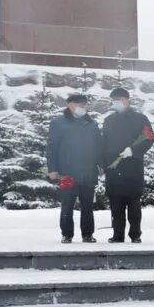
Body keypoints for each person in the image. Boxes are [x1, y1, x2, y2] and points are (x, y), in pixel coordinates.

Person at [46, 92, 102, 243]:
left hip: (88, 171)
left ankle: (88, 234)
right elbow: (52, 148)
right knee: (67, 205)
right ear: (69, 105)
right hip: (67, 172)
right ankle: (67, 234)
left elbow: (99, 147)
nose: (82, 107)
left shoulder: (91, 124)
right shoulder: (58, 123)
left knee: (88, 206)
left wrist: (101, 166)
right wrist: (52, 169)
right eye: (78, 104)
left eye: (84, 105)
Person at [101, 87, 154, 243]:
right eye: (114, 100)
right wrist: (104, 164)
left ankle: (135, 234)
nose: (117, 103)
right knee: (115, 204)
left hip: (133, 167)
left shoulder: (140, 119)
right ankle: (118, 234)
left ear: (127, 100)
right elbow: (103, 144)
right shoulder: (109, 120)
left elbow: (149, 138)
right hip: (113, 167)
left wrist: (133, 150)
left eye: (120, 99)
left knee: (133, 203)